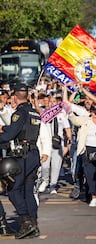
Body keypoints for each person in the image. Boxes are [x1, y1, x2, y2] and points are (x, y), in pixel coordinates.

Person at [0, 84, 41, 239]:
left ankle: (25, 222)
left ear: (15, 97)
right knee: (28, 191)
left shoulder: (20, 113)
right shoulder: (34, 112)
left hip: (23, 155)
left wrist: (4, 132)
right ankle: (34, 225)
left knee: (13, 190)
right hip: (33, 153)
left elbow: (10, 135)